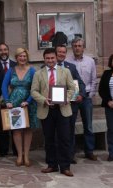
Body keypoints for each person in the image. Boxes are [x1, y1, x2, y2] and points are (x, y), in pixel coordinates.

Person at [31, 48, 75, 177]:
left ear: (56, 58)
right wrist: (44, 100)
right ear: (44, 59)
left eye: (52, 58)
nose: (50, 60)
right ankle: (52, 165)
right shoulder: (38, 74)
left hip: (62, 110)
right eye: (47, 58)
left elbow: (72, 88)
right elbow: (33, 91)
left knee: (64, 139)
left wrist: (66, 99)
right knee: (49, 139)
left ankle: (65, 167)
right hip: (47, 109)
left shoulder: (65, 71)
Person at [2, 48, 37, 167]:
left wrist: (28, 101)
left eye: (24, 56)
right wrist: (7, 101)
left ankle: (26, 155)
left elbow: (35, 87)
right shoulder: (11, 70)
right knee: (16, 130)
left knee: (28, 129)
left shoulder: (32, 71)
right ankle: (19, 156)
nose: (22, 58)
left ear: (27, 57)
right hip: (14, 103)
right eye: (20, 56)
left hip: (29, 104)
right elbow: (4, 86)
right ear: (16, 58)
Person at [66, 37, 98, 161]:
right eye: (75, 46)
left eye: (79, 46)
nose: (77, 48)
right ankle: (71, 153)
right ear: (72, 48)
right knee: (70, 125)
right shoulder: (68, 62)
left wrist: (89, 95)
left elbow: (94, 80)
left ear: (83, 47)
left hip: (86, 98)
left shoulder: (90, 61)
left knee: (88, 125)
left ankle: (89, 151)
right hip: (72, 98)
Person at [55, 44, 86, 164]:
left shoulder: (71, 67)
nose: (61, 54)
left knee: (69, 130)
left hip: (69, 105)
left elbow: (80, 83)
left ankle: (69, 155)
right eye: (59, 52)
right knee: (55, 131)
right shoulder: (47, 67)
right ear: (55, 53)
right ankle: (56, 155)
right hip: (53, 106)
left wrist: (81, 95)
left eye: (63, 52)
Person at [0, 43, 16, 157]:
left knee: (15, 126)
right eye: (0, 50)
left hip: (16, 100)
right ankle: (3, 150)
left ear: (8, 51)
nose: (3, 52)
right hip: (0, 101)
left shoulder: (16, 65)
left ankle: (16, 150)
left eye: (5, 49)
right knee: (2, 127)